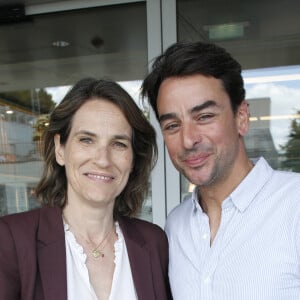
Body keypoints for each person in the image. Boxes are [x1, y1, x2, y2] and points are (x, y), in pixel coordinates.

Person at [141, 41, 300, 299]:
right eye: (172, 125)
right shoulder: (176, 226)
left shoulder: (294, 205)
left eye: (204, 117)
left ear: (242, 117)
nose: (188, 140)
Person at [0, 78, 172, 300]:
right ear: (60, 149)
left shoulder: (153, 242)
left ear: (133, 159)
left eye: (118, 144)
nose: (103, 159)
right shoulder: (12, 239)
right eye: (87, 140)